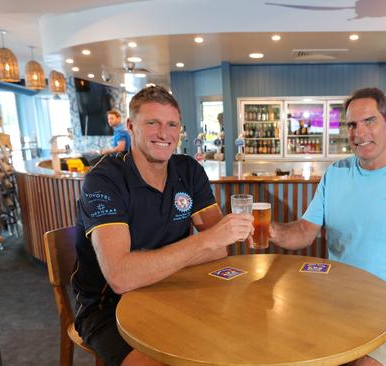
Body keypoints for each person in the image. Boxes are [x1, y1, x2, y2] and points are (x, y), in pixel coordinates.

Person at [269, 87, 386, 366]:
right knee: (281, 347)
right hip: (333, 296)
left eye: (369, 121)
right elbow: (304, 231)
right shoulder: (335, 173)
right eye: (351, 125)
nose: (359, 134)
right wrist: (271, 231)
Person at [72, 86, 254, 366]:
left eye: (172, 124)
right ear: (131, 126)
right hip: (107, 306)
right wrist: (202, 242)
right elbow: (121, 277)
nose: (164, 133)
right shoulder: (104, 179)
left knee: (234, 340)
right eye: (152, 123)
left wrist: (160, 262)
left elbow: (220, 250)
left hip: (173, 288)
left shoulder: (189, 170)